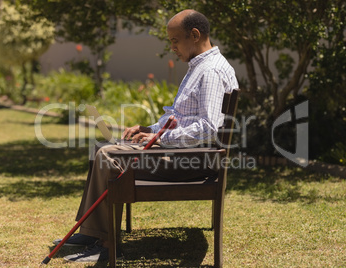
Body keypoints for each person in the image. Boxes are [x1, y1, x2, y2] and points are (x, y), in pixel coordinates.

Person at [55, 9, 239, 263]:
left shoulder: (209, 71)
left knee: (109, 156)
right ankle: (92, 232)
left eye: (175, 41)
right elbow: (179, 116)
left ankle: (105, 244)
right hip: (180, 152)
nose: (172, 47)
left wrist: (162, 140)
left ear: (194, 35)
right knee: (103, 145)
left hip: (191, 160)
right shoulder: (200, 66)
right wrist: (150, 130)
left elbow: (208, 127)